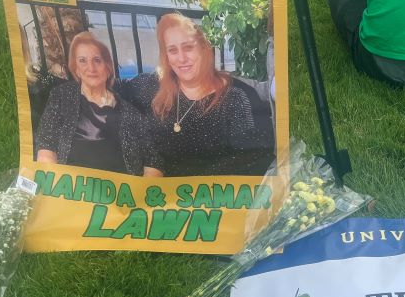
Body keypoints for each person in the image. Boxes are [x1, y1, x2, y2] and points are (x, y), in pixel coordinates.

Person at [118, 13, 275, 177]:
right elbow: (113, 96)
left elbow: (252, 159)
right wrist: (150, 161)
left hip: (209, 197)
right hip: (155, 194)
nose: (181, 58)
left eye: (188, 47)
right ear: (167, 57)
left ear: (203, 48)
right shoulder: (151, 85)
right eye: (173, 50)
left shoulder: (235, 99)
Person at [36, 32, 161, 175]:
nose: (91, 67)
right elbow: (46, 146)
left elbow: (154, 161)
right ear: (75, 68)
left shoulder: (130, 113)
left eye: (97, 60)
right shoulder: (61, 96)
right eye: (82, 60)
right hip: (71, 191)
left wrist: (141, 192)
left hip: (121, 193)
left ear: (108, 67)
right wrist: (54, 187)